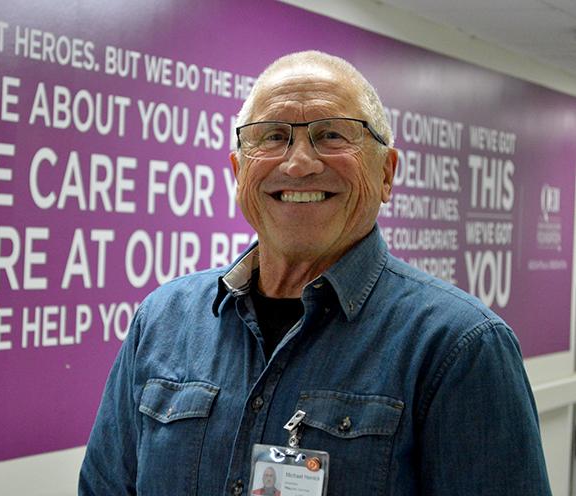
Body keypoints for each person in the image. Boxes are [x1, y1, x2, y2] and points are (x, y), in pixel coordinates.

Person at [78, 50, 551, 495]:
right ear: (237, 172)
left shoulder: (459, 346)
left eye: (331, 134)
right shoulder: (163, 320)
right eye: (273, 136)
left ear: (387, 173)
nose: (299, 162)